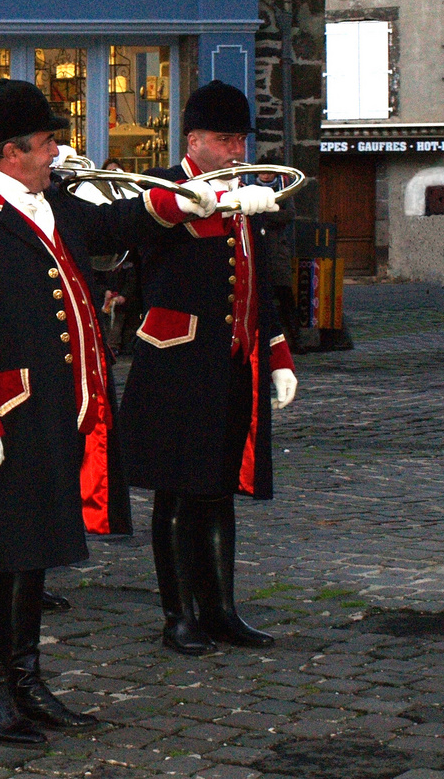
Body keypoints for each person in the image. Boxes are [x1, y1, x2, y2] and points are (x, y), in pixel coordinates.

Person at [0, 79, 228, 745]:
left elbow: (123, 223)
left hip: (55, 409)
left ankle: (26, 680)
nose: (59, 150)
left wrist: (197, 197)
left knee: (31, 552)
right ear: (10, 151)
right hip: (0, 416)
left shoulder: (50, 200)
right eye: (48, 140)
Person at [117, 80, 297, 658]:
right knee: (177, 491)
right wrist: (189, 200)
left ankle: (221, 609)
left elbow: (256, 285)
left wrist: (276, 353)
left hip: (231, 362)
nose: (237, 149)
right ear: (194, 139)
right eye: (224, 139)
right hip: (177, 363)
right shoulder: (168, 188)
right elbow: (127, 227)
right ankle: (180, 615)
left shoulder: (248, 194)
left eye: (240, 138)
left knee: (218, 490)